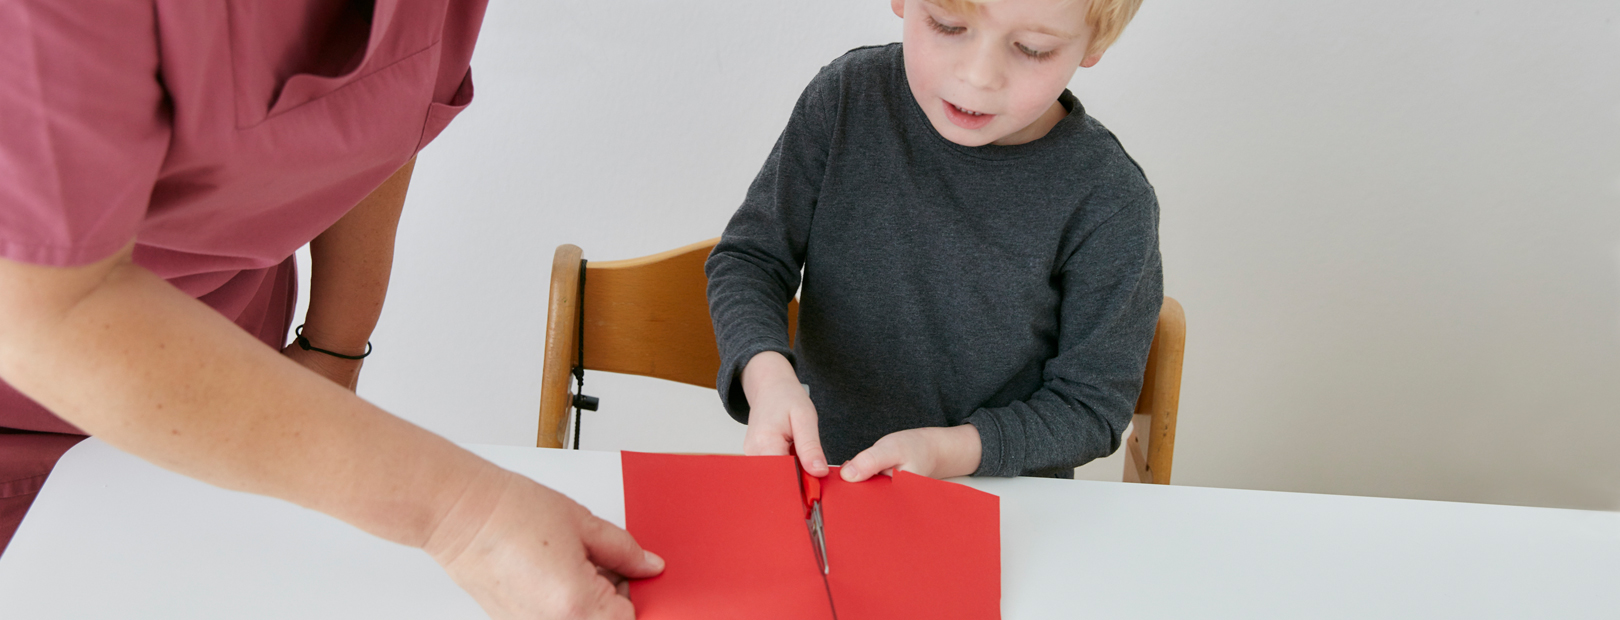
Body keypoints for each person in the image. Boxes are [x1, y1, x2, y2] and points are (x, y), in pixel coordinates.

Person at [0, 2, 661, 618]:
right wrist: (468, 517)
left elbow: (390, 108)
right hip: (26, 420)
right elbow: (48, 311)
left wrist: (333, 349)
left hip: (233, 380)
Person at [705, 0, 1161, 483]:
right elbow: (750, 260)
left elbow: (1091, 407)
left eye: (1033, 49)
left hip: (1002, 497)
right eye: (948, 25)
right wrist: (769, 378)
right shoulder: (846, 98)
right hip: (827, 479)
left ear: (1095, 45)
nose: (979, 76)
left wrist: (951, 451)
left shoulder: (1112, 200)